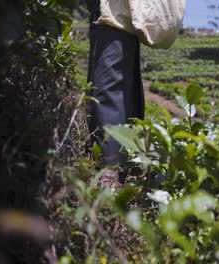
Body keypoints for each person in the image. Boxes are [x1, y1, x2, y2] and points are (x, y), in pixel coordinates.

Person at [86, 0, 145, 188]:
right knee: (124, 96)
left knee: (107, 94)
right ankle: (123, 172)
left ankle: (111, 175)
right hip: (123, 23)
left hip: (113, 19)